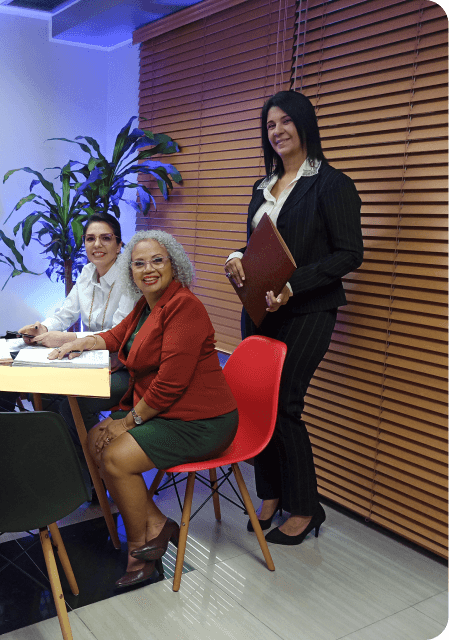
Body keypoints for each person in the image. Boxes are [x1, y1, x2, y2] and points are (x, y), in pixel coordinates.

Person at [51, 230, 238, 588]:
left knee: (115, 456)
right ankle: (156, 524)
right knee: (94, 440)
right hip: (168, 411)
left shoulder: (185, 307)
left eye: (157, 261)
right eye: (139, 263)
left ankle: (140, 549)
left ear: (174, 265)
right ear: (131, 272)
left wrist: (128, 422)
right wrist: (82, 342)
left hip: (202, 420)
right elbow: (117, 336)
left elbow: (170, 383)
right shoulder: (147, 304)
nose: (148, 269)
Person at [225, 90, 363, 545]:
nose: (277, 131)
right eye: (270, 124)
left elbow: (349, 254)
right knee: (254, 401)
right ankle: (270, 494)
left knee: (285, 405)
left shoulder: (332, 184)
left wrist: (292, 286)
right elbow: (259, 245)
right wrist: (237, 257)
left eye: (285, 121)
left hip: (307, 310)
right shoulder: (262, 186)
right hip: (258, 309)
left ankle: (305, 507)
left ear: (304, 123)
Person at [18, 213, 136, 484]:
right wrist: (42, 328)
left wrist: (65, 339)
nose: (97, 245)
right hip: (90, 360)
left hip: (124, 366)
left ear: (119, 245)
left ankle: (95, 479)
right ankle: (69, 466)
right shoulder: (86, 273)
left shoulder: (130, 279)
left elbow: (117, 335)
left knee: (75, 404)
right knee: (45, 393)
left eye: (106, 238)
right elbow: (64, 313)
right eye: (90, 239)